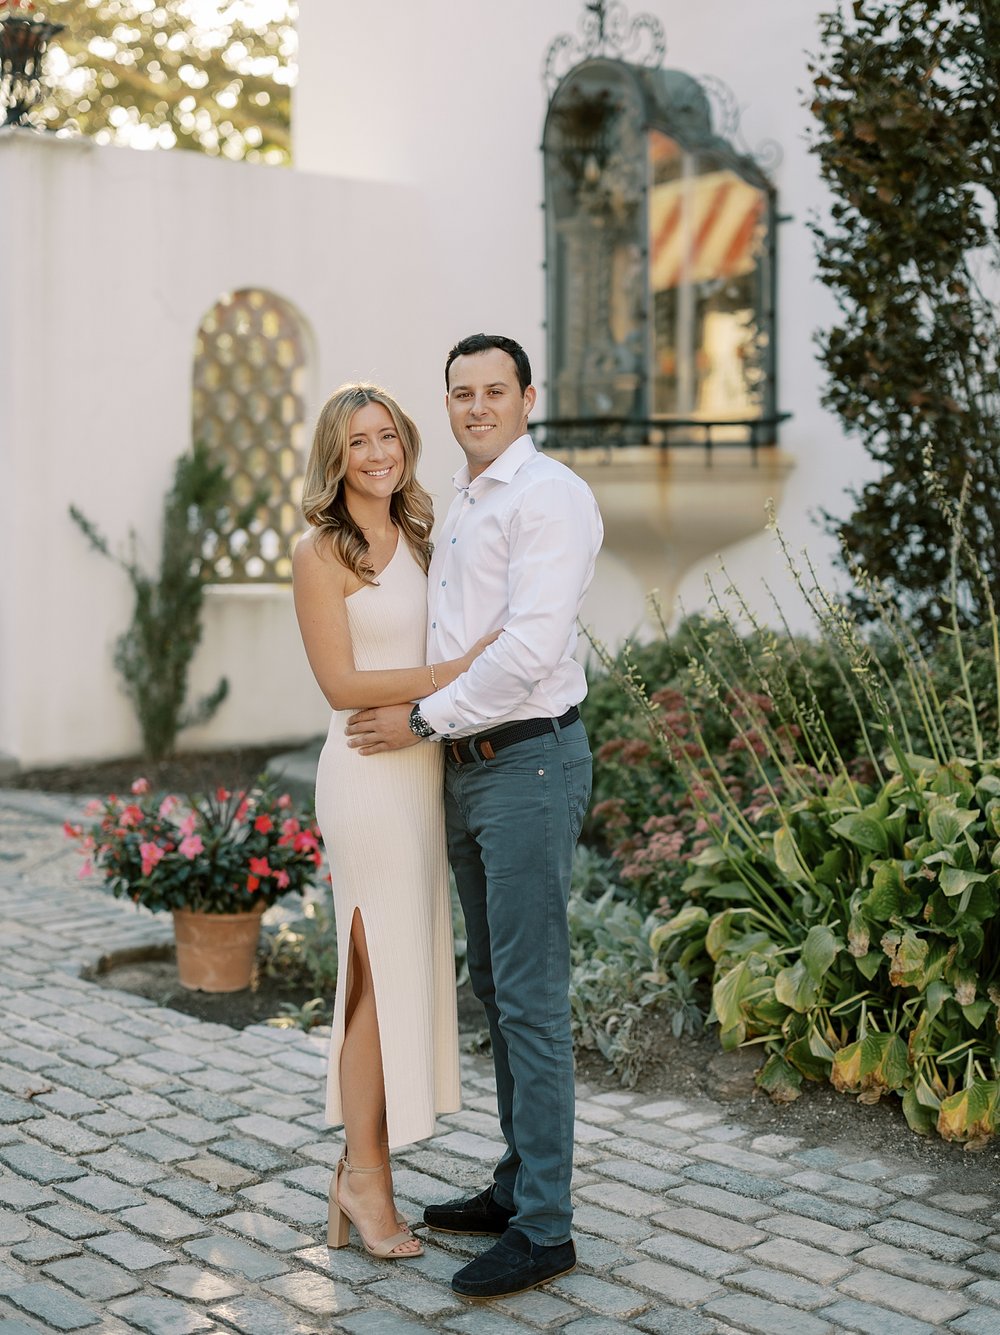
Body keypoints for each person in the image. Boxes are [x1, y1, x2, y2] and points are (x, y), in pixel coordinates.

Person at [345, 334, 604, 1299]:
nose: (478, 404)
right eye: (462, 392)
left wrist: (418, 717)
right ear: (446, 403)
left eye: (496, 390)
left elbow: (529, 649)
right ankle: (516, 1183)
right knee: (497, 987)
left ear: (529, 397)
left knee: (531, 998)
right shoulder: (462, 498)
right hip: (468, 766)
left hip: (528, 761)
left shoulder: (550, 496)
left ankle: (545, 1227)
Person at [292, 382, 498, 1261]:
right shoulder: (319, 553)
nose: (377, 453)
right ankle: (365, 1179)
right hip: (367, 776)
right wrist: (454, 671)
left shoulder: (421, 531)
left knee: (403, 972)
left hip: (419, 765)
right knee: (370, 983)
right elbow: (340, 687)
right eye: (358, 442)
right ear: (333, 458)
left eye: (387, 436)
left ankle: (362, 1170)